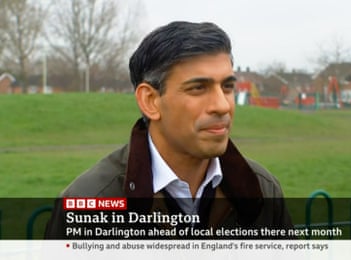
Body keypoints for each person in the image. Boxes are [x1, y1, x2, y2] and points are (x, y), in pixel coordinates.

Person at [44, 21, 293, 239]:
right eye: (198, 88)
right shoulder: (88, 204)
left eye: (227, 87)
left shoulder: (262, 190)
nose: (222, 105)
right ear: (150, 101)